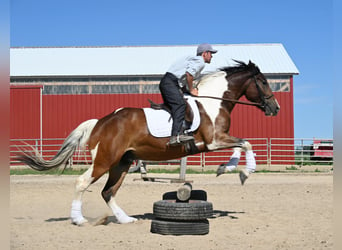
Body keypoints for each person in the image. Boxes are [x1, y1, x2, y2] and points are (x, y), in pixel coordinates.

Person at [159, 43, 217, 146]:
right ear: (205, 53)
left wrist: (185, 89)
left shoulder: (192, 59)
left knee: (178, 105)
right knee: (181, 105)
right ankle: (175, 136)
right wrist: (191, 90)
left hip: (169, 82)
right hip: (170, 83)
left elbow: (183, 78)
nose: (212, 56)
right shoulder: (200, 62)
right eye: (211, 53)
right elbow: (189, 75)